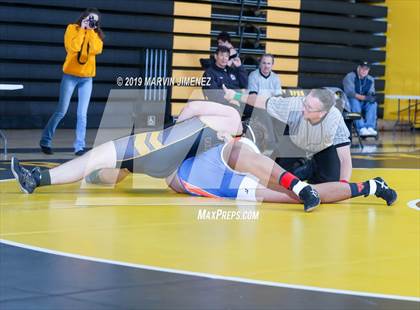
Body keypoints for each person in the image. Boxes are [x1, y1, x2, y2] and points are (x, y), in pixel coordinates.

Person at [11, 102, 396, 212]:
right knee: (287, 190)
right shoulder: (230, 130)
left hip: (185, 162)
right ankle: (365, 186)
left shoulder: (233, 136)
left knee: (100, 158)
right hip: (184, 160)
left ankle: (363, 186)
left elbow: (193, 117)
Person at [222, 86, 353, 184]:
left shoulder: (335, 119)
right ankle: (299, 167)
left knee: (329, 184)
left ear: (322, 113)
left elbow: (345, 158)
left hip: (322, 148)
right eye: (305, 103)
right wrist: (235, 95)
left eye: (309, 108)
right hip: (294, 141)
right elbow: (262, 101)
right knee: (274, 181)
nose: (303, 108)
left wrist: (344, 186)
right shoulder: (294, 105)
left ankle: (310, 168)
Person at [39, 8, 104, 156]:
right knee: (61, 111)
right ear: (84, 18)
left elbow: (96, 49)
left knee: (82, 114)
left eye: (95, 21)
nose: (92, 22)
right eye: (90, 19)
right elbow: (72, 47)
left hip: (87, 78)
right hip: (70, 76)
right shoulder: (72, 29)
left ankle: (79, 147)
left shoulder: (96, 34)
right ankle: (45, 141)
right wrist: (82, 29)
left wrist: (91, 31)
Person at [343, 61, 378, 137]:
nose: (364, 71)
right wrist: (365, 97)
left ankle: (370, 127)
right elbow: (350, 93)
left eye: (366, 69)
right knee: (354, 101)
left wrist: (371, 96)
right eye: (362, 69)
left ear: (368, 70)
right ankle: (361, 128)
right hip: (350, 104)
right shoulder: (350, 76)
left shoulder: (370, 79)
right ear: (358, 68)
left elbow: (371, 91)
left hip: (362, 103)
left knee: (373, 103)